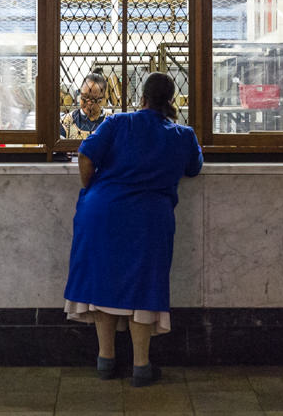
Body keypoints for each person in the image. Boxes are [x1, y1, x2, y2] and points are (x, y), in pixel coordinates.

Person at [63, 72, 203, 387]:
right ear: (170, 100)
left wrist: (92, 191)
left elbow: (85, 155)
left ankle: (105, 360)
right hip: (149, 219)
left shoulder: (117, 123)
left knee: (103, 280)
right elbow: (194, 168)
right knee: (145, 286)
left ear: (141, 97)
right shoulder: (183, 134)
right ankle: (141, 366)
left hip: (101, 213)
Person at [60, 71, 109, 139]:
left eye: (93, 100)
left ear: (103, 99)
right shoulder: (66, 122)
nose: (89, 103)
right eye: (84, 97)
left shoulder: (112, 122)